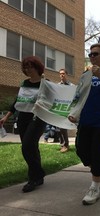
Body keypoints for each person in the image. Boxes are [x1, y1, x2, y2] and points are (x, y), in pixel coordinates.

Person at [68, 43, 100, 205]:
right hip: (86, 119)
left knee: (98, 153)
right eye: (90, 55)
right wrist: (74, 113)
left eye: (95, 54)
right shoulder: (86, 74)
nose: (92, 57)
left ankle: (95, 186)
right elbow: (79, 96)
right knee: (82, 150)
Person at [0, 56, 47, 193]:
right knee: (32, 147)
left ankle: (33, 178)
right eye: (25, 67)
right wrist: (6, 117)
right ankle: (39, 176)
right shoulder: (24, 83)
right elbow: (17, 102)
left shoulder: (45, 83)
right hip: (22, 118)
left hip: (37, 118)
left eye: (30, 67)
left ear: (37, 67)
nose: (27, 70)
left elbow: (51, 102)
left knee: (26, 146)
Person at [58, 68, 73, 153]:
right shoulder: (58, 85)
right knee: (59, 127)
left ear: (66, 75)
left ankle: (66, 144)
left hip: (68, 108)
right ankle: (63, 143)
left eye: (63, 73)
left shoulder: (71, 86)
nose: (62, 75)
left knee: (63, 126)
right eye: (60, 74)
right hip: (60, 107)